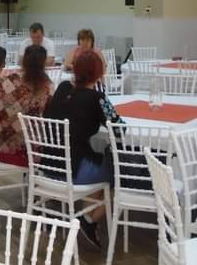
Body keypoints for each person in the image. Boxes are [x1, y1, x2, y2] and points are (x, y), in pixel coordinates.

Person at [44, 50, 121, 249]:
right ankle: (89, 220)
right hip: (73, 169)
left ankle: (86, 215)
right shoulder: (97, 98)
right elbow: (119, 129)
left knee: (97, 162)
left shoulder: (62, 88)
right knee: (118, 176)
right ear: (99, 73)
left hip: (48, 165)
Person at [0, 45, 54, 167]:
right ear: (44, 64)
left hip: (1, 148)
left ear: (24, 61)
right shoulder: (48, 88)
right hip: (31, 154)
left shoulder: (7, 80)